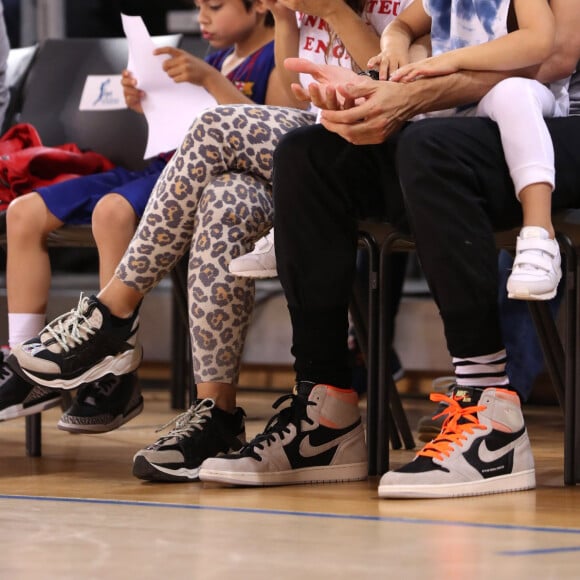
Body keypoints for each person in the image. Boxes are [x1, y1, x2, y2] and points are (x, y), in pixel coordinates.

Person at [6, 0, 412, 482]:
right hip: (312, 155)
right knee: (224, 200)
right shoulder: (304, 14)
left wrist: (335, 12)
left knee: (211, 128)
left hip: (386, 147)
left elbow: (396, 85)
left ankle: (112, 316)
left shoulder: (397, 8)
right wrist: (288, 17)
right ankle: (216, 414)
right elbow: (292, 109)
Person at [193, 0, 580, 494]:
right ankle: (325, 411)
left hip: (553, 126)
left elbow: (555, 56)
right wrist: (386, 85)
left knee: (431, 147)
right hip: (460, 119)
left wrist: (416, 91)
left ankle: (491, 412)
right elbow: (418, 33)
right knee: (308, 156)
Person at [0, 0, 289, 429]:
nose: (202, 18)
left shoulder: (274, 57)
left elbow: (269, 127)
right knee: (23, 211)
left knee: (111, 211)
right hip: (158, 165)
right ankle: (24, 365)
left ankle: (116, 372)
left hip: (206, 183)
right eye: (197, 7)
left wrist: (208, 79)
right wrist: (145, 100)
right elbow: (177, 124)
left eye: (215, 6)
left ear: (261, 6)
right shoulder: (216, 57)